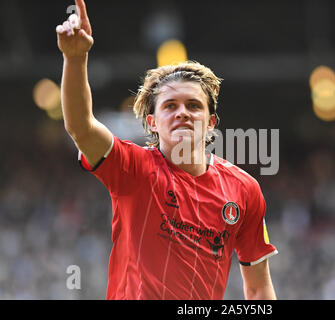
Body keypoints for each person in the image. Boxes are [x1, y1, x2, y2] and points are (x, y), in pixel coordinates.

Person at [56, 0, 278, 300]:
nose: (182, 113)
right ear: (153, 122)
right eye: (170, 106)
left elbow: (259, 288)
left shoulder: (244, 190)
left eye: (194, 106)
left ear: (211, 122)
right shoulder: (133, 169)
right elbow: (80, 127)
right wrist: (76, 58)